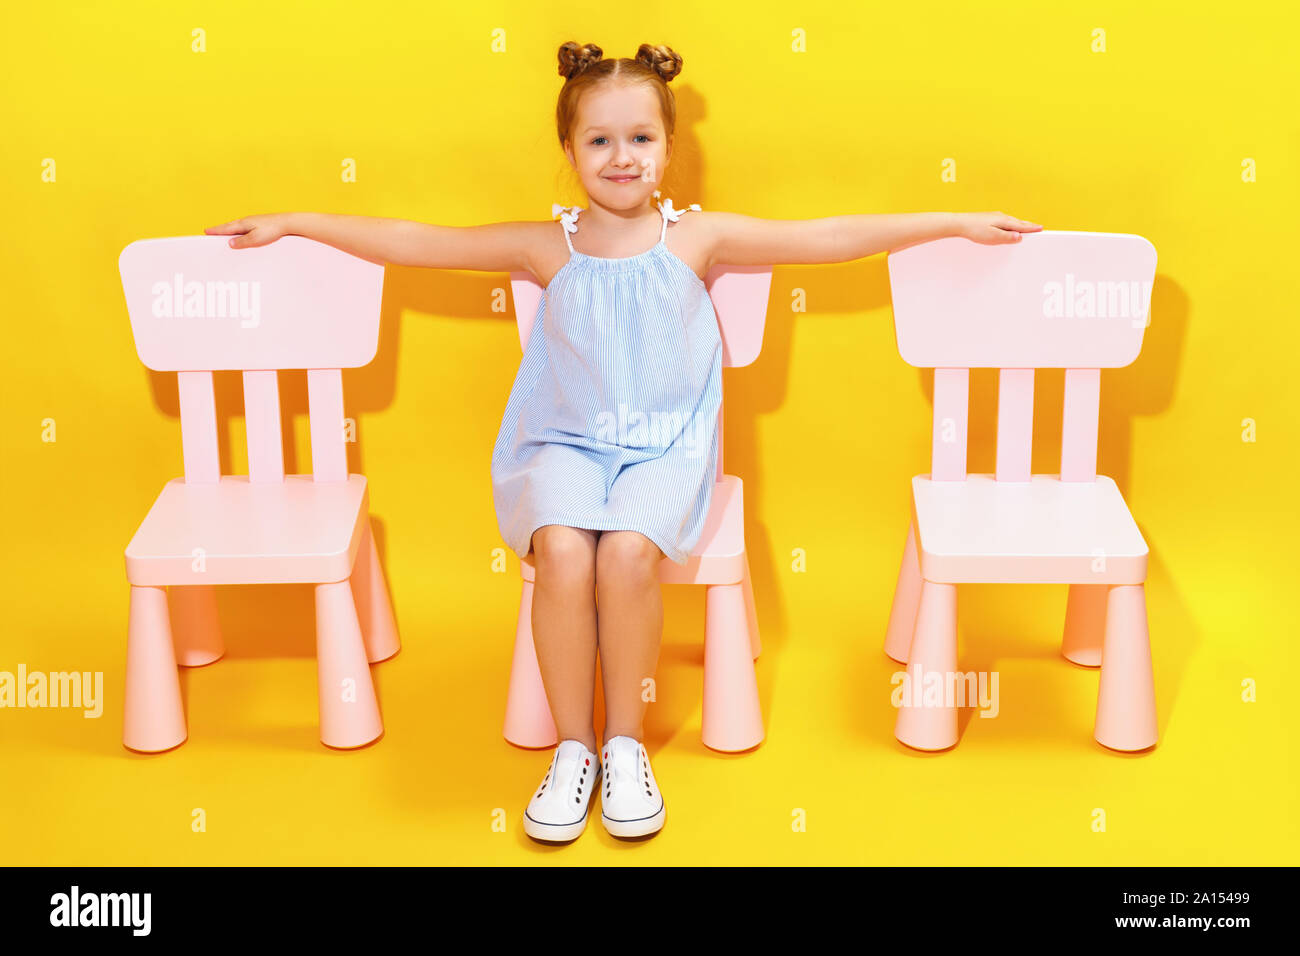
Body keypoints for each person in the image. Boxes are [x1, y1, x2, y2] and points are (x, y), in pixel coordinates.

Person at [206, 39, 1042, 845]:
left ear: (668, 148)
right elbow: (421, 245)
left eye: (640, 138)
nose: (621, 156)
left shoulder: (697, 238)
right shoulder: (545, 244)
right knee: (566, 554)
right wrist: (297, 221)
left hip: (665, 449)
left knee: (629, 555)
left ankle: (626, 742)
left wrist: (955, 220)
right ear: (569, 149)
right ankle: (575, 746)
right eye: (599, 139)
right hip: (562, 446)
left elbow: (825, 236)